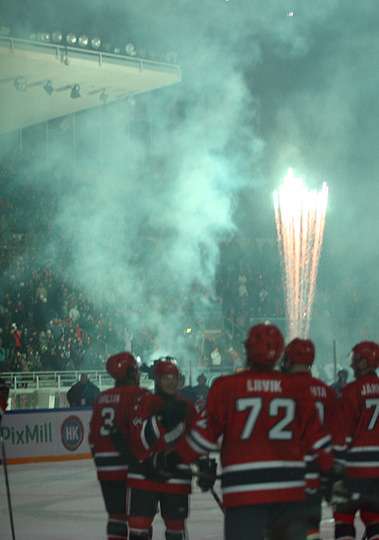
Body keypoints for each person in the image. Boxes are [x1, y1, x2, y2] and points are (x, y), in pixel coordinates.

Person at [169, 323, 336, 540]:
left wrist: (174, 457)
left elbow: (203, 437)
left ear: (248, 350)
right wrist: (331, 471)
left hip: (243, 493)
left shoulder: (226, 386)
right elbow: (318, 439)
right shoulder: (298, 389)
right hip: (290, 492)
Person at [127, 357, 198, 540]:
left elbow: (196, 441)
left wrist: (202, 461)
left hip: (176, 476)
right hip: (144, 474)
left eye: (174, 377)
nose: (171, 381)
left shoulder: (187, 407)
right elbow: (138, 442)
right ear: (157, 380)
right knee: (138, 528)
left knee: (176, 530)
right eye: (166, 377)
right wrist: (160, 421)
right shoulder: (145, 403)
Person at [282, 338, 342, 540]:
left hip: (284, 473)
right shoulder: (325, 390)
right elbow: (333, 433)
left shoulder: (280, 387)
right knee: (311, 531)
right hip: (316, 472)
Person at [88, 352, 150, 540]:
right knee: (141, 519)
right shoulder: (140, 394)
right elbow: (146, 433)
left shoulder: (100, 398)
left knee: (116, 518)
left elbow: (92, 438)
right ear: (130, 372)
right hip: (131, 468)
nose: (139, 374)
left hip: (105, 469)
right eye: (137, 370)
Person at [333, 341, 379, 540]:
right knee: (374, 520)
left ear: (366, 361)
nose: (352, 365)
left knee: (343, 519)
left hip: (353, 467)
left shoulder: (351, 391)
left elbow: (341, 434)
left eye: (356, 360)